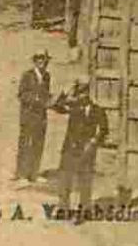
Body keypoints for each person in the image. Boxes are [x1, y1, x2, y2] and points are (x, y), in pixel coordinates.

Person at [53, 80, 108, 214]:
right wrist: (66, 92)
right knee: (65, 177)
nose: (81, 97)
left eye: (84, 93)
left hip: (87, 149)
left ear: (88, 94)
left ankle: (85, 208)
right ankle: (63, 207)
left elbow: (103, 130)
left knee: (85, 179)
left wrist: (93, 142)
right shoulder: (73, 108)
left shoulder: (98, 110)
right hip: (70, 147)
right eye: (79, 94)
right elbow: (57, 105)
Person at [15, 52, 52, 182]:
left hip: (41, 116)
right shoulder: (27, 75)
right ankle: (22, 174)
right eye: (40, 59)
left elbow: (46, 94)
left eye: (45, 60)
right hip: (28, 115)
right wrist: (36, 100)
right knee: (26, 144)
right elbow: (21, 95)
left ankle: (34, 173)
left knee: (38, 144)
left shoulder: (47, 76)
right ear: (35, 61)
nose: (43, 63)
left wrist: (53, 101)